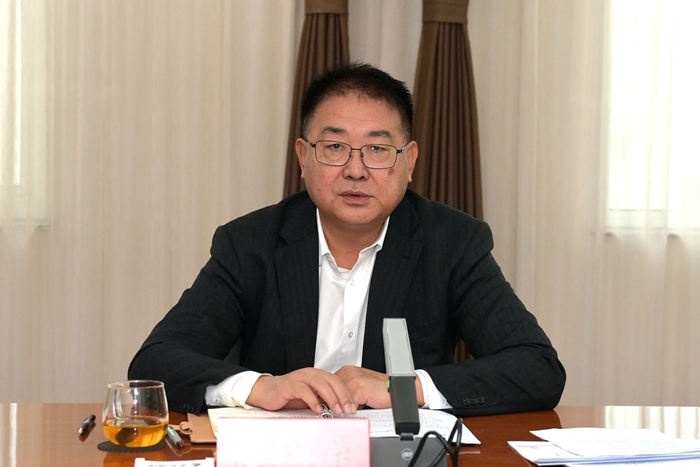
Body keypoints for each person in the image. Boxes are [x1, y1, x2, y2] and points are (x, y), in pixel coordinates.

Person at [128, 63, 565, 417]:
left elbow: (538, 368)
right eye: (335, 147)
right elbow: (155, 362)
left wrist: (403, 388)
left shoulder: (453, 243)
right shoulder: (249, 244)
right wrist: (262, 388)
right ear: (304, 157)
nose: (356, 171)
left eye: (377, 149)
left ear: (409, 162)